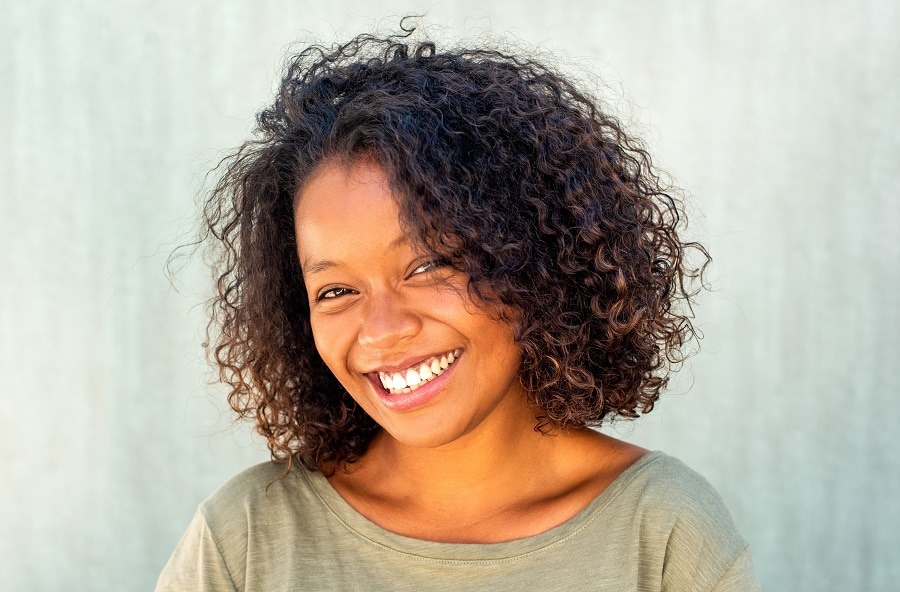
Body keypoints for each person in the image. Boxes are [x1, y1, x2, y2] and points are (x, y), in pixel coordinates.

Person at [157, 25, 761, 591]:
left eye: (428, 265)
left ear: (533, 258)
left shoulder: (660, 533)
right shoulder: (245, 541)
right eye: (336, 291)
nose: (384, 330)